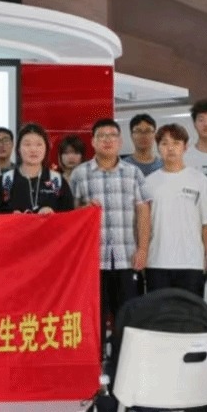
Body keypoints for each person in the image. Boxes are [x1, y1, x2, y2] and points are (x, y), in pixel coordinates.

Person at [69, 119, 150, 360]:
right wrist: (84, 209)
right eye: (102, 136)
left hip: (126, 258)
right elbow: (70, 216)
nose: (107, 140)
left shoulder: (133, 173)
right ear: (93, 141)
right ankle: (95, 364)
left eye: (112, 135)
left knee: (126, 317)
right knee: (93, 317)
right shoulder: (80, 174)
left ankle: (123, 365)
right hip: (92, 261)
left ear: (120, 141)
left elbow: (143, 212)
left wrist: (143, 249)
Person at [142, 123, 207, 298]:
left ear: (185, 147)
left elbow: (206, 224)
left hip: (191, 263)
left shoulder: (200, 180)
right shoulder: (148, 182)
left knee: (190, 313)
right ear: (158, 147)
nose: (170, 148)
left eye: (176, 143)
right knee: (159, 312)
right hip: (157, 262)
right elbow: (143, 225)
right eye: (164, 143)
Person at [0, 123, 74, 214]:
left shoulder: (57, 181)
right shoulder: (5, 181)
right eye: (27, 144)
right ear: (18, 148)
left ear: (46, 148)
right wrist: (11, 218)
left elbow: (70, 217)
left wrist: (53, 216)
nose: (33, 149)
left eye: (39, 144)